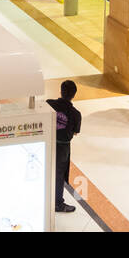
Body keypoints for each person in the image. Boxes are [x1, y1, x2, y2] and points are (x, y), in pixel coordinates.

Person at [47, 80, 82, 213]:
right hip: (62, 148)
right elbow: (75, 132)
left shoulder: (49, 104)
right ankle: (57, 203)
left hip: (48, 141)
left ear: (60, 91)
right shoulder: (76, 114)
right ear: (74, 95)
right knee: (59, 174)